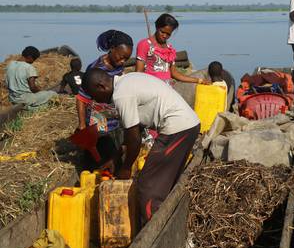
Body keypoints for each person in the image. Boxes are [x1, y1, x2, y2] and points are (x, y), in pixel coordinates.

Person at [82, 69, 200, 225]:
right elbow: (132, 131)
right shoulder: (127, 80)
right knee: (164, 180)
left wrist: (126, 167)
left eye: (94, 96)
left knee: (146, 185)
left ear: (101, 86)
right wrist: (116, 158)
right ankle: (165, 217)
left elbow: (134, 139)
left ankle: (152, 227)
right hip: (188, 124)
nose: (98, 101)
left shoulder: (121, 95)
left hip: (177, 128)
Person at [76, 30, 133, 166]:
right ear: (112, 49)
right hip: (99, 119)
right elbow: (81, 98)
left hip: (115, 117)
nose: (123, 61)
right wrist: (82, 125)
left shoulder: (119, 66)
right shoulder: (95, 69)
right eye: (121, 57)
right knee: (98, 157)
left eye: (126, 58)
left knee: (116, 152)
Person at [135, 13, 208, 86]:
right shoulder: (145, 44)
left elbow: (174, 73)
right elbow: (138, 73)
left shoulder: (169, 49)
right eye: (162, 32)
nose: (164, 36)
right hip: (151, 88)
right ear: (157, 27)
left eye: (168, 34)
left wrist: (198, 80)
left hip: (167, 90)